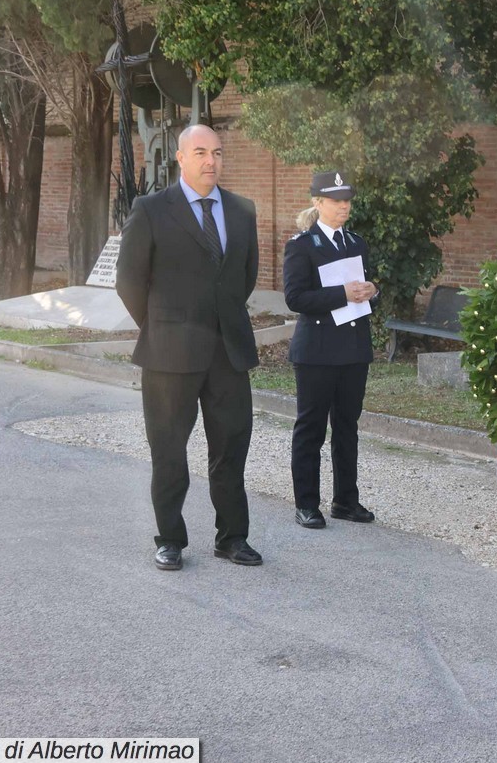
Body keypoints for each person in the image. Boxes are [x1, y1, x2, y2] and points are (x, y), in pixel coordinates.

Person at [116, 124, 262, 570]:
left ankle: (232, 537)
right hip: (169, 354)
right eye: (200, 152)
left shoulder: (241, 210)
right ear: (180, 158)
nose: (210, 161)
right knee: (169, 449)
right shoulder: (152, 209)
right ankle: (170, 539)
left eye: (217, 152)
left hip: (228, 352)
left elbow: (245, 276)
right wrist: (161, 326)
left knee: (232, 447)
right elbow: (129, 282)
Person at [282, 171, 379, 530]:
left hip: (353, 349)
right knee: (311, 427)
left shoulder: (356, 242)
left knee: (347, 427)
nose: (344, 206)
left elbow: (365, 284)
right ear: (317, 203)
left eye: (347, 200)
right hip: (318, 351)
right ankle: (307, 503)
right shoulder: (302, 245)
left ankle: (345, 500)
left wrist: (372, 290)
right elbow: (295, 297)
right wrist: (342, 295)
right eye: (336, 200)